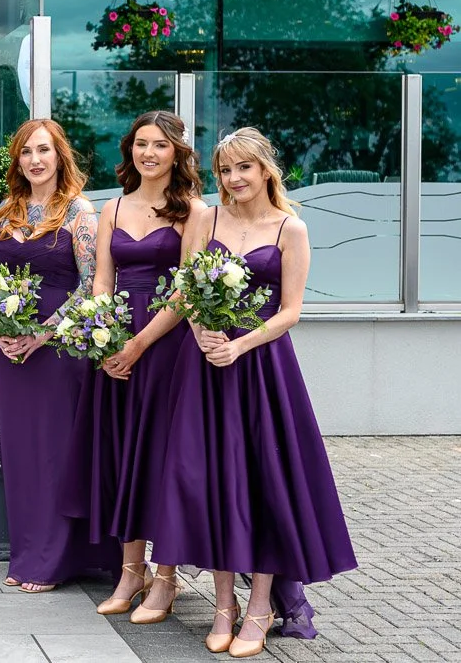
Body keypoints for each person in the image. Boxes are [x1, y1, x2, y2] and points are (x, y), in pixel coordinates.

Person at [152, 128, 356, 656]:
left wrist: (239, 347)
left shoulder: (292, 228)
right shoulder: (205, 218)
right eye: (225, 170)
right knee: (209, 481)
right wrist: (202, 335)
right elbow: (186, 288)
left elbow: (290, 311)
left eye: (244, 167)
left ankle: (260, 607)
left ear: (265, 169)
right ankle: (224, 604)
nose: (234, 179)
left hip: (262, 370)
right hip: (203, 368)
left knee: (262, 483)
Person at [70, 111, 205, 620]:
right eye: (141, 144)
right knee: (123, 455)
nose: (149, 153)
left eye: (160, 145)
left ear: (177, 154)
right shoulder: (113, 207)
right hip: (117, 343)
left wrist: (140, 344)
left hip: (167, 348)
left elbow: (188, 291)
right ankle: (130, 572)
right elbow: (102, 280)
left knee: (162, 461)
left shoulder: (194, 211)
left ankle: (166, 579)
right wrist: (103, 337)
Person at [0, 119, 117, 591]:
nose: (35, 160)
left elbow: (92, 284)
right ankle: (28, 551)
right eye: (26, 152)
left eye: (43, 150)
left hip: (60, 349)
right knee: (20, 453)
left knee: (54, 453)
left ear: (60, 156)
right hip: (9, 352)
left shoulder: (80, 213)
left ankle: (53, 559)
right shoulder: (5, 212)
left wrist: (43, 333)